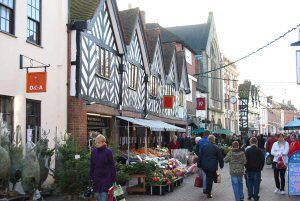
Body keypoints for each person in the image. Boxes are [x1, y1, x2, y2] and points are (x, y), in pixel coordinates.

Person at [90, 134, 117, 201]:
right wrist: (91, 176)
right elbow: (92, 164)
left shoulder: (108, 152)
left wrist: (114, 179)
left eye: (98, 142)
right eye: (96, 142)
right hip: (97, 177)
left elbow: (112, 166)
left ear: (103, 142)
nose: (96, 144)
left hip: (106, 177)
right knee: (99, 195)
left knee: (104, 194)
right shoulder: (94, 151)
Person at [198, 135, 224, 199]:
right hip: (212, 166)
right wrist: (221, 165)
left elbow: (200, 156)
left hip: (205, 166)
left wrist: (199, 165)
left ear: (208, 139)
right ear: (213, 140)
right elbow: (220, 157)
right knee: (210, 179)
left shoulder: (203, 146)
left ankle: (207, 190)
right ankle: (208, 193)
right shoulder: (216, 147)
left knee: (208, 178)